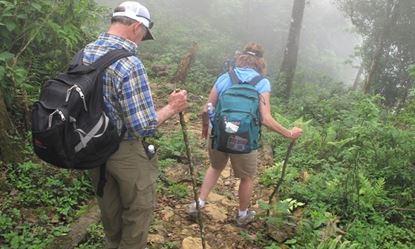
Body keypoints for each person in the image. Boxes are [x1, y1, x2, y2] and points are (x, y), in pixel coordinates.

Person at [84, 1, 188, 248]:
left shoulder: (86, 52)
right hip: (124, 150)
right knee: (138, 211)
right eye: (143, 34)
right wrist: (172, 107)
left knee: (110, 210)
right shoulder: (129, 63)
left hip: (90, 147)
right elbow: (143, 126)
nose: (141, 40)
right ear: (136, 26)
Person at [189, 42, 303, 226]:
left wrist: (205, 128)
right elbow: (265, 118)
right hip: (244, 138)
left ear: (240, 57)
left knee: (215, 167)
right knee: (246, 177)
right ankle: (242, 215)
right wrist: (289, 133)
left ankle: (198, 203)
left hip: (218, 134)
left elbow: (207, 107)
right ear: (260, 61)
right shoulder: (262, 83)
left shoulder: (225, 77)